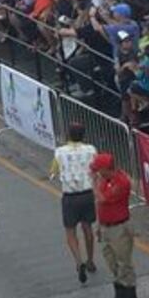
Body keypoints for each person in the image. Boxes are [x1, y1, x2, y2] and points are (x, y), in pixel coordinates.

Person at [49, 122, 98, 284]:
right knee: (87, 227)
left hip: (70, 197)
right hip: (87, 194)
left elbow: (53, 172)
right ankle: (90, 260)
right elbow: (96, 168)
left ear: (68, 135)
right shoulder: (91, 150)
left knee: (70, 231)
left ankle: (79, 261)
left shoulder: (60, 152)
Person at [92, 153, 138, 298]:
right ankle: (120, 296)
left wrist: (94, 184)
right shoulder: (105, 180)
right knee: (111, 262)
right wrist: (99, 225)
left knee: (124, 263)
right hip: (106, 227)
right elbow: (101, 206)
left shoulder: (122, 182)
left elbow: (103, 199)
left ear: (106, 168)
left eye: (98, 169)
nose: (96, 172)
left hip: (119, 228)